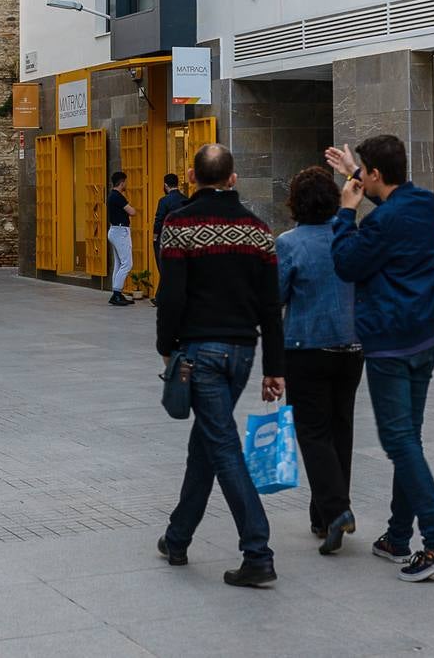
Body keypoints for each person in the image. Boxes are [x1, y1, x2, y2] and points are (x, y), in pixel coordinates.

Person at [327, 135, 434, 583]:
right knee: (411, 439)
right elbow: (390, 216)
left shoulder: (380, 224)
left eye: (364, 171)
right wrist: (352, 173)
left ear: (377, 175)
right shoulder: (424, 202)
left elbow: (347, 263)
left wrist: (346, 211)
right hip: (425, 336)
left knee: (398, 440)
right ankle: (398, 535)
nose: (359, 177)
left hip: (390, 341)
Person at [156, 143, 285, 588]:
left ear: (191, 177)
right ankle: (177, 537)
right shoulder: (258, 230)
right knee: (207, 443)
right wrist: (274, 366)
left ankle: (258, 551)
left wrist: (166, 347)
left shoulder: (178, 225)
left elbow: (171, 296)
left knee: (223, 446)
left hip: (200, 352)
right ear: (233, 178)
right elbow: (271, 305)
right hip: (243, 354)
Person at [277, 167, 362, 556]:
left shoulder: (289, 243)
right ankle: (323, 515)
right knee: (341, 427)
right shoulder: (350, 236)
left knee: (312, 432)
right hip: (351, 346)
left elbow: (276, 295)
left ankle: (336, 510)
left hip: (306, 346)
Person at [150, 173, 188, 306]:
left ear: (165, 185)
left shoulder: (164, 201)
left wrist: (155, 237)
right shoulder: (185, 199)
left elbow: (159, 220)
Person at [107, 171, 138, 307]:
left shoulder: (111, 196)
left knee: (119, 264)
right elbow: (132, 212)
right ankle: (116, 294)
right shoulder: (118, 196)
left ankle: (117, 292)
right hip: (121, 231)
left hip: (114, 230)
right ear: (122, 182)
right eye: (125, 182)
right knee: (127, 263)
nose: (126, 184)